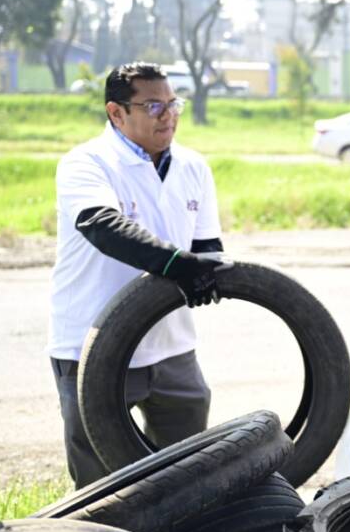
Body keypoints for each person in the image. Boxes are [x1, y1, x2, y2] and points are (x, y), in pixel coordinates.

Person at [47, 62, 226, 488]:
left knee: (187, 477)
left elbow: (206, 250)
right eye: (153, 106)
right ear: (116, 113)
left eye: (172, 104)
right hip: (91, 346)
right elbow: (102, 225)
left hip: (173, 347)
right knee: (99, 485)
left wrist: (204, 270)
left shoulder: (193, 167)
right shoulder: (86, 164)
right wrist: (176, 265)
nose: (169, 116)